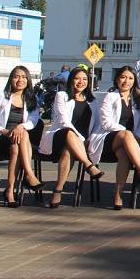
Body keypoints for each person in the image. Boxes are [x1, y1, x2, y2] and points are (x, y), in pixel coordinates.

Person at [88, 65, 140, 210]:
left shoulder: (139, 100)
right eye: (123, 77)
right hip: (107, 138)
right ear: (117, 79)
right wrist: (127, 134)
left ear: (134, 81)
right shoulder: (110, 96)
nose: (126, 81)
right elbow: (106, 122)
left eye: (130, 78)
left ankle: (118, 195)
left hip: (127, 144)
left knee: (124, 155)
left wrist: (135, 138)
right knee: (125, 135)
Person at [39, 65, 104, 208]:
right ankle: (89, 165)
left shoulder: (93, 101)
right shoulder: (62, 96)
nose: (81, 82)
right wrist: (80, 139)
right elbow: (64, 121)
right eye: (77, 78)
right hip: (59, 137)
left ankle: (58, 190)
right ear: (71, 80)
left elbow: (98, 124)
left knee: (68, 151)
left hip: (80, 144)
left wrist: (89, 140)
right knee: (69, 133)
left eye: (84, 79)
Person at [0, 66, 45, 206]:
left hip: (19, 141)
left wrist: (20, 126)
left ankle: (9, 191)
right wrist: (4, 131)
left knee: (18, 141)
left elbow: (33, 121)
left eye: (23, 77)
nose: (20, 80)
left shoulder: (32, 99)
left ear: (28, 80)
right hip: (0, 138)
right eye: (16, 76)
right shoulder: (1, 96)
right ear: (11, 79)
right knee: (20, 137)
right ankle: (29, 174)